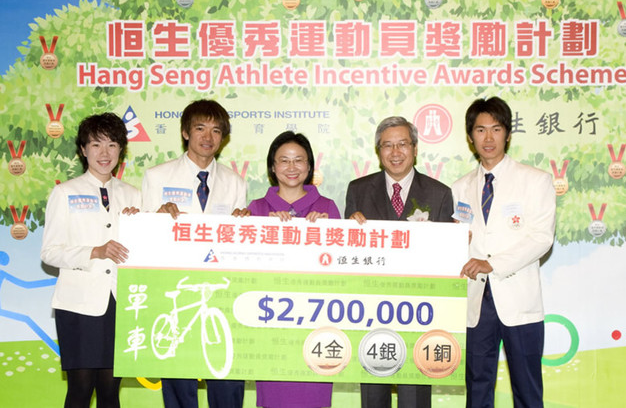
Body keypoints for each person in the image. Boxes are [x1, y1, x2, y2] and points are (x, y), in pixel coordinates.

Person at [142, 99, 248, 408]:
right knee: (178, 383)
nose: (208, 137)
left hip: (221, 292)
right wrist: (156, 219)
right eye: (200, 128)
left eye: (216, 130)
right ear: (186, 132)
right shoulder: (156, 176)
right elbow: (143, 240)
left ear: (223, 137)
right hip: (174, 288)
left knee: (226, 377)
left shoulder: (234, 182)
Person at [452, 97, 555, 408]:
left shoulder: (535, 180)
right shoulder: (459, 188)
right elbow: (454, 242)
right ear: (470, 137)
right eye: (480, 130)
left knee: (527, 388)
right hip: (475, 303)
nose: (488, 138)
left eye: (496, 129)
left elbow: (541, 238)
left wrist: (491, 264)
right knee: (478, 387)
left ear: (507, 133)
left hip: (518, 299)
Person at [344, 116, 454, 408]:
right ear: (378, 151)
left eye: (402, 144)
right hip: (369, 311)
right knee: (373, 397)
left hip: (420, 313)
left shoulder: (439, 194)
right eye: (387, 145)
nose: (395, 152)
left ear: (415, 148)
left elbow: (447, 262)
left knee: (414, 398)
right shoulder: (358, 190)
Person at [41, 112, 141, 408]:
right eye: (96, 145)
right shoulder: (64, 192)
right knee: (81, 389)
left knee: (110, 391)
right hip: (79, 304)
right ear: (83, 149)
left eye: (112, 145)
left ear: (121, 149)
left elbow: (143, 250)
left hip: (120, 301)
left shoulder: (133, 195)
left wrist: (142, 227)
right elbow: (49, 252)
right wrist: (93, 252)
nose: (104, 153)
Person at [248, 130, 340, 408]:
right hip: (269, 322)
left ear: (309, 166)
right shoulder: (256, 209)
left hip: (316, 321)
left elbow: (342, 268)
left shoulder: (328, 208)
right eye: (284, 160)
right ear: (272, 167)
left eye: (299, 160)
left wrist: (326, 232)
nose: (291, 167)